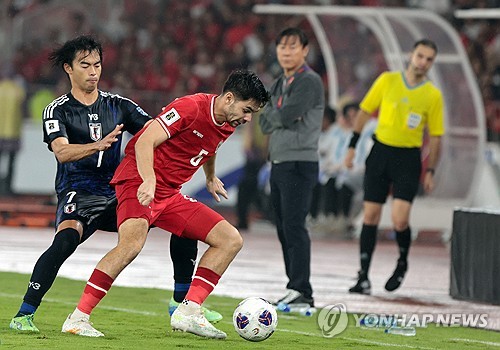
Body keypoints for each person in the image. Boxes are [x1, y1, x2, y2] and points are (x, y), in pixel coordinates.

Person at [9, 35, 221, 333]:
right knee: (65, 242)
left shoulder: (119, 105)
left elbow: (158, 134)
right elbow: (62, 152)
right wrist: (97, 146)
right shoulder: (57, 109)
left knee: (182, 223)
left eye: (97, 65)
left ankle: (180, 303)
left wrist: (199, 142)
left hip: (116, 191)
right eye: (85, 65)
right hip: (78, 192)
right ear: (69, 68)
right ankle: (24, 314)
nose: (93, 71)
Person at [60, 69, 269, 339]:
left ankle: (189, 310)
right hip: (137, 179)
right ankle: (78, 318)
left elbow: (210, 146)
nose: (248, 118)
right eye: (247, 109)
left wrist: (210, 176)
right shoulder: (189, 107)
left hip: (169, 193)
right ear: (229, 98)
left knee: (230, 239)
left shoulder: (228, 122)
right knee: (131, 245)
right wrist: (148, 180)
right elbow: (146, 139)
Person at [345, 39, 445, 294]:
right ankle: (363, 275)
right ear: (411, 55)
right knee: (370, 216)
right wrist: (353, 145)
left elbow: (435, 137)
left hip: (407, 159)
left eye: (429, 59)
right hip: (380, 153)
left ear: (432, 63)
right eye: (420, 56)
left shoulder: (432, 95)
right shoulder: (387, 80)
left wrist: (431, 170)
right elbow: (365, 111)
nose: (423, 62)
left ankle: (402, 262)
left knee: (400, 220)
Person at [259, 27, 325, 309]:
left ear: (305, 50)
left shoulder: (309, 81)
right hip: (280, 161)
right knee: (284, 227)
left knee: (295, 226)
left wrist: (274, 113)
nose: (286, 52)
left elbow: (284, 116)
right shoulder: (279, 82)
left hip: (300, 162)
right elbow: (264, 123)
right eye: (282, 46)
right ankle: (294, 286)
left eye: (293, 46)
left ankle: (303, 289)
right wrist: (275, 114)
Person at [236, 112, 268, 230]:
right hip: (254, 155)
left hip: (264, 155)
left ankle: (264, 216)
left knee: (255, 188)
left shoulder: (267, 107)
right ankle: (243, 220)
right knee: (246, 188)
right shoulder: (255, 109)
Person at [0, 65, 26, 196]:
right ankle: (7, 188)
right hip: (13, 131)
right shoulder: (18, 90)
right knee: (11, 163)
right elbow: (23, 109)